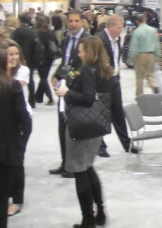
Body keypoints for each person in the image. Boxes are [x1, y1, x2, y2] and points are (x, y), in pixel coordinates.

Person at [55, 37, 115, 228]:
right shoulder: (104, 70)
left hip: (81, 128)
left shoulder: (88, 70)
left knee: (81, 171)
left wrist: (67, 93)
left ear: (89, 52)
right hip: (95, 127)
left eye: (81, 51)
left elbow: (88, 98)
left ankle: (87, 218)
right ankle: (100, 211)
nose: (78, 54)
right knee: (88, 168)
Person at [0, 48, 31, 228]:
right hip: (8, 150)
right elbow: (24, 120)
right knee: (1, 197)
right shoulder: (12, 86)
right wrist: (21, 144)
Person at [49, 11, 87, 179]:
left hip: (77, 90)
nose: (73, 24)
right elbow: (65, 63)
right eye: (70, 21)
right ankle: (65, 163)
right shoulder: (65, 40)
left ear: (82, 22)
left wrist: (67, 77)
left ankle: (74, 166)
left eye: (76, 21)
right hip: (63, 91)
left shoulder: (87, 41)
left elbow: (84, 67)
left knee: (74, 130)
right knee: (62, 128)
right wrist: (56, 75)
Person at [97, 14, 135, 157]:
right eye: (119, 27)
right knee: (101, 114)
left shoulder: (116, 39)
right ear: (111, 26)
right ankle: (100, 145)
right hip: (102, 82)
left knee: (118, 113)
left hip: (114, 81)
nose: (121, 30)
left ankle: (127, 144)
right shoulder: (99, 39)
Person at [5, 42, 33, 218]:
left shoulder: (23, 71)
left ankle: (17, 200)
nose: (14, 57)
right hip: (4, 122)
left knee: (17, 161)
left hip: (22, 121)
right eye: (10, 54)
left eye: (16, 54)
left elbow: (12, 88)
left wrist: (5, 70)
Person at [126, 13, 160, 96]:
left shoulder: (136, 32)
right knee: (149, 74)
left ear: (137, 21)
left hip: (140, 55)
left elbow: (133, 46)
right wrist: (157, 56)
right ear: (145, 19)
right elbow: (157, 44)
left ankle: (139, 95)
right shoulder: (153, 30)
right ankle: (154, 85)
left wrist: (130, 59)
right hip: (150, 55)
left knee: (139, 76)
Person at [12, 13, 37, 110]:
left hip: (21, 58)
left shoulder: (17, 32)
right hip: (30, 58)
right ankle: (32, 100)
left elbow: (15, 45)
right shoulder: (31, 31)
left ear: (19, 20)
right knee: (30, 80)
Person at [33, 14, 56, 106]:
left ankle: (50, 98)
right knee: (44, 77)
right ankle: (38, 97)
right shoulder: (51, 32)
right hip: (50, 58)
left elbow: (36, 47)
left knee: (43, 78)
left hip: (41, 58)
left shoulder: (38, 33)